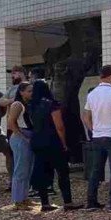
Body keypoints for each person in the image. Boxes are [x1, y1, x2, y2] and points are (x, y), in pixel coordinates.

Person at [29, 81, 83, 212]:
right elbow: (59, 126)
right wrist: (64, 143)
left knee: (43, 172)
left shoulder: (32, 105)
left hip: (37, 141)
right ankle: (68, 202)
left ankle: (45, 203)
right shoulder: (52, 104)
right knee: (62, 172)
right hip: (53, 141)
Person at [83, 65, 111, 212]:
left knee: (95, 169)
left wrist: (93, 129)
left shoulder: (92, 94)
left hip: (98, 136)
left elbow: (86, 116)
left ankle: (91, 201)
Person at [7, 82, 33, 210]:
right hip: (20, 136)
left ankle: (24, 197)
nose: (31, 93)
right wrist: (22, 137)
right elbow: (11, 122)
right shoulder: (17, 104)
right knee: (20, 168)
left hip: (28, 136)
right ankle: (17, 200)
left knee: (27, 168)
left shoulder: (28, 104)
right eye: (29, 91)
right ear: (21, 92)